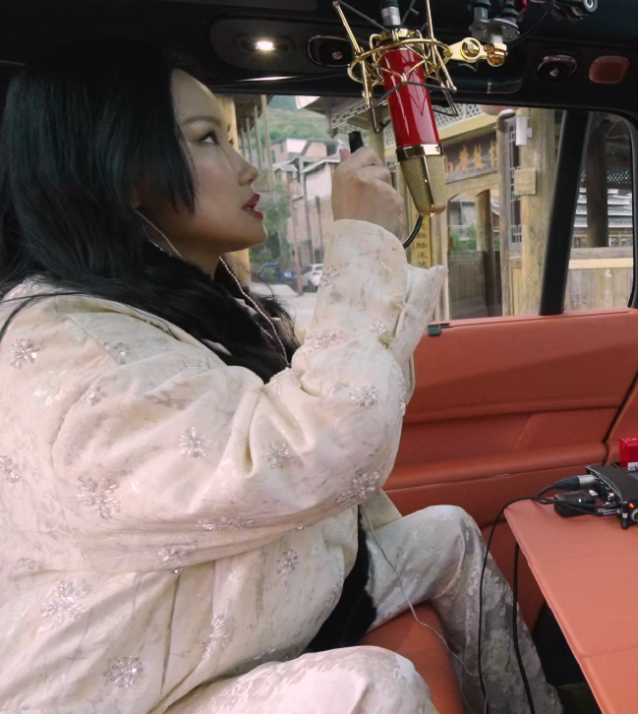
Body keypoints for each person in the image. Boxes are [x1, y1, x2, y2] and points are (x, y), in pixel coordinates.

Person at [0, 45, 560, 714]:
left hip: (251, 606)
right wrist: (359, 246)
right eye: (207, 139)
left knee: (451, 533)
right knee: (374, 688)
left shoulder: (185, 304)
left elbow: (364, 397)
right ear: (122, 172)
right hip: (141, 688)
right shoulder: (66, 343)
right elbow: (315, 449)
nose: (248, 168)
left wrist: (374, 256)